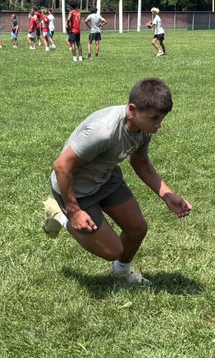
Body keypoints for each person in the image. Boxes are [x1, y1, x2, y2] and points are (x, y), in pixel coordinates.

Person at [41, 78, 192, 285]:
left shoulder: (143, 128)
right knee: (113, 250)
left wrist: (167, 194)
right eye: (154, 118)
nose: (158, 125)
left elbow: (141, 163)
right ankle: (60, 215)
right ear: (132, 109)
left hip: (106, 177)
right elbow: (62, 166)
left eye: (162, 118)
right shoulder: (103, 131)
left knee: (138, 228)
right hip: (76, 188)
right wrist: (74, 211)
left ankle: (121, 273)